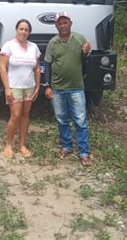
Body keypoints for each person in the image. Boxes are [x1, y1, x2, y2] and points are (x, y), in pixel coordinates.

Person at [44, 12, 92, 166]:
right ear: (56, 25)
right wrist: (48, 86)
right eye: (59, 23)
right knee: (62, 120)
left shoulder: (79, 39)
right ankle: (67, 146)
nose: (62, 26)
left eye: (65, 23)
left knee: (80, 121)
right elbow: (48, 65)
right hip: (57, 88)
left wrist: (86, 53)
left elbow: (86, 62)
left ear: (70, 23)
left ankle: (84, 152)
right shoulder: (53, 42)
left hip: (76, 87)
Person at [0, 19, 41, 159]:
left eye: (26, 30)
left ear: (29, 32)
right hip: (14, 87)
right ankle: (9, 145)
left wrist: (37, 86)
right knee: (15, 115)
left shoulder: (33, 47)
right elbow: (2, 68)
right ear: (17, 30)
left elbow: (36, 69)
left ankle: (22, 145)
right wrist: (6, 88)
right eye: (21, 29)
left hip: (29, 87)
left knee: (25, 115)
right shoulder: (9, 46)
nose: (23, 32)